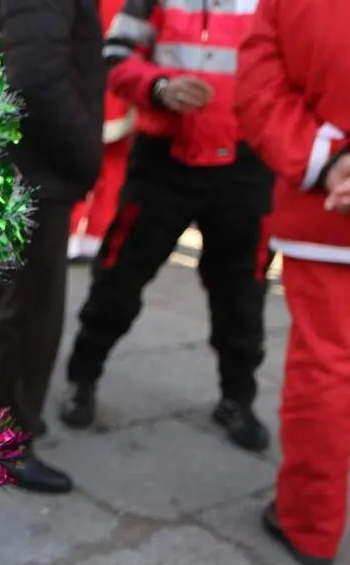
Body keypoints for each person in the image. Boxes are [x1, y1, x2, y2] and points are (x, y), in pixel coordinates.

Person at [59, 0, 274, 453]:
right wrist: (158, 87)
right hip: (164, 163)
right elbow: (115, 55)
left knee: (242, 294)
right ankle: (83, 377)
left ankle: (237, 398)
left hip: (245, 165)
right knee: (118, 278)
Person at [0, 0, 105, 494]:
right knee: (27, 316)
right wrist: (85, 153)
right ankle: (7, 445)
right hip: (35, 168)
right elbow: (35, 75)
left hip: (11, 160)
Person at [235, 0, 350, 565]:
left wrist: (329, 158)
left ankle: (310, 522)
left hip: (327, 209)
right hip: (328, 207)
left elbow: (260, 86)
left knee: (326, 369)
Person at [68, 0, 134, 262]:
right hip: (118, 91)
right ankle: (96, 235)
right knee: (112, 169)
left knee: (78, 163)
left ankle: (73, 233)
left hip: (86, 88)